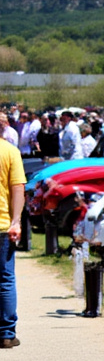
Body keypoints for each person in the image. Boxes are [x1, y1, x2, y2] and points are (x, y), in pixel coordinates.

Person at [0, 132, 24, 347]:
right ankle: (6, 333)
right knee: (5, 278)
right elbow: (18, 188)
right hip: (2, 224)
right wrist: (15, 221)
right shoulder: (9, 151)